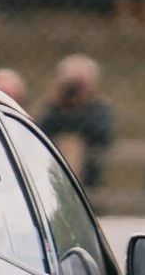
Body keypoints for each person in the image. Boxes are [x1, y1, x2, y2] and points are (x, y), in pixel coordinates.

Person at [37, 53, 115, 186]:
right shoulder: (53, 110)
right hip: (52, 179)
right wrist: (60, 103)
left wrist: (79, 108)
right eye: (72, 85)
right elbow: (43, 131)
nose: (75, 91)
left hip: (89, 180)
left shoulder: (98, 110)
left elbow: (102, 135)